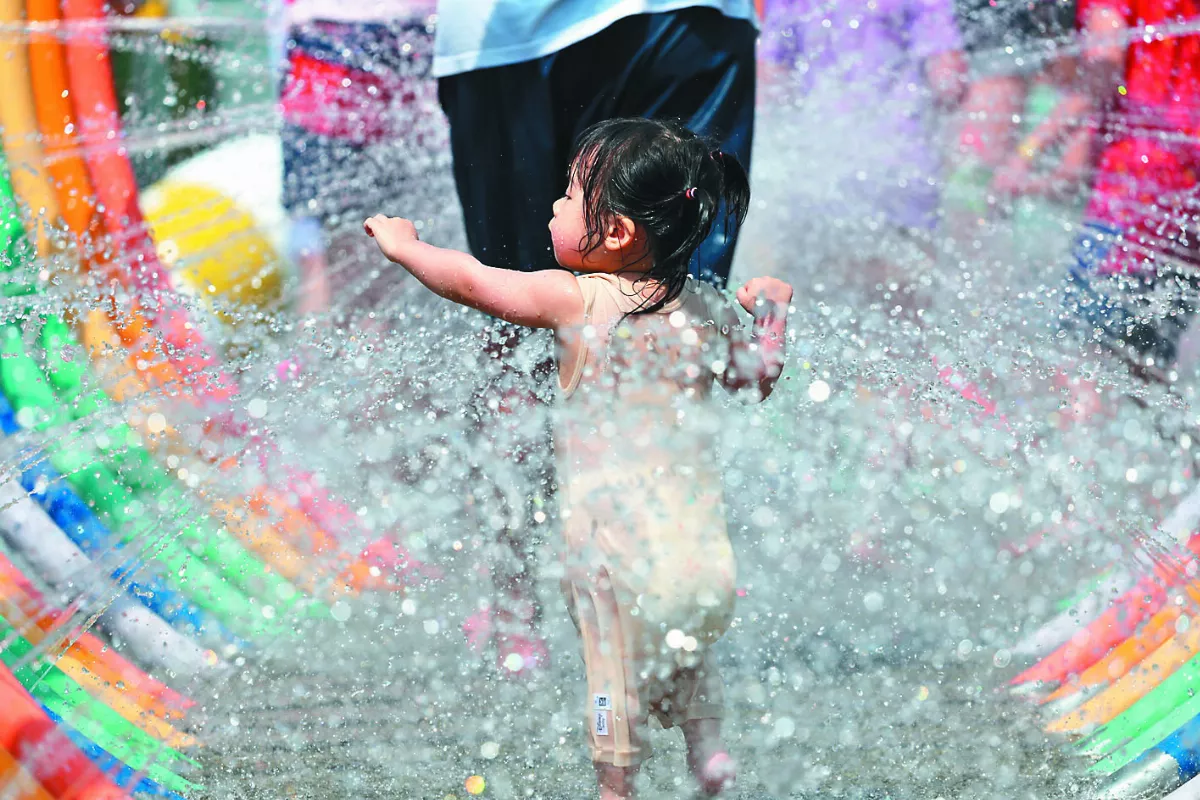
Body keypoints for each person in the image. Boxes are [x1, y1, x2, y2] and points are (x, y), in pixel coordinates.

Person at [364, 118, 792, 799]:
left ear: (618, 233)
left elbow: (474, 282)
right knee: (682, 639)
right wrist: (772, 325)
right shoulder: (708, 310)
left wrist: (405, 247)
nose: (555, 208)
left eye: (569, 197)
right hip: (700, 553)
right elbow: (755, 378)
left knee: (611, 671)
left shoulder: (580, 301)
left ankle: (613, 786)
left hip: (609, 554)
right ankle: (708, 751)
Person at [431, 0, 759, 677]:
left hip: (632, 28)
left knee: (650, 326)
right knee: (553, 326)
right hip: (542, 38)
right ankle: (545, 590)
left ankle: (618, 588)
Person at [277, 0, 439, 316]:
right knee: (368, 273)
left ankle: (333, 354)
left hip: (342, 62)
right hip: (339, 66)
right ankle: (347, 354)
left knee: (359, 271)